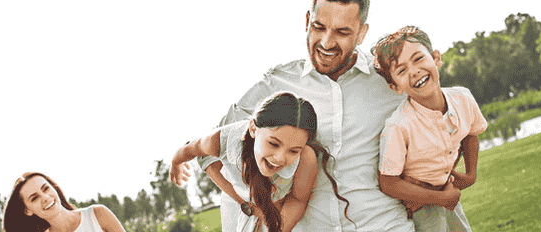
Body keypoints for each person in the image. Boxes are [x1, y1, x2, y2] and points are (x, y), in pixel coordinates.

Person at [193, 0, 463, 231]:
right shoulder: (274, 85)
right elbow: (209, 152)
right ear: (307, 20)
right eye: (318, 27)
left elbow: (448, 124)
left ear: (361, 34)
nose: (326, 42)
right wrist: (248, 203)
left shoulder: (391, 80)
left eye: (342, 32)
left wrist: (427, 184)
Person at [170, 92, 353, 232]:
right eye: (273, 143)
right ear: (253, 129)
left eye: (293, 150)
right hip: (244, 195)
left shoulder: (306, 158)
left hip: (273, 203)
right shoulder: (220, 141)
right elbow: (190, 149)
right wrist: (176, 163)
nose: (280, 158)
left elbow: (298, 200)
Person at [372, 25, 488, 232]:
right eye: (401, 70)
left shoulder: (462, 98)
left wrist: (470, 175)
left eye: (418, 59)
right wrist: (439, 198)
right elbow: (388, 182)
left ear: (436, 58)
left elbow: (471, 133)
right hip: (419, 203)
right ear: (395, 87)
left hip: (447, 192)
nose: (414, 71)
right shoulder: (398, 126)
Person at [3, 172, 125, 232]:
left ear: (54, 188)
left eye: (45, 188)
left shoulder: (97, 215)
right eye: (34, 198)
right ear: (27, 210)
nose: (45, 197)